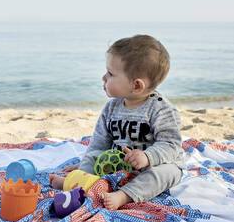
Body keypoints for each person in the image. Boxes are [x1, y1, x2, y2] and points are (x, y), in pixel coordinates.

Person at [49, 34, 185, 210]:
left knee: (166, 173)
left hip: (154, 165)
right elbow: (98, 143)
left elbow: (171, 145)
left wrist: (147, 157)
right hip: (117, 163)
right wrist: (85, 166)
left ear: (136, 85)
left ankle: (124, 195)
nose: (103, 78)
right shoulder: (111, 107)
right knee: (94, 154)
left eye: (111, 74)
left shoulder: (162, 110)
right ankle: (76, 182)